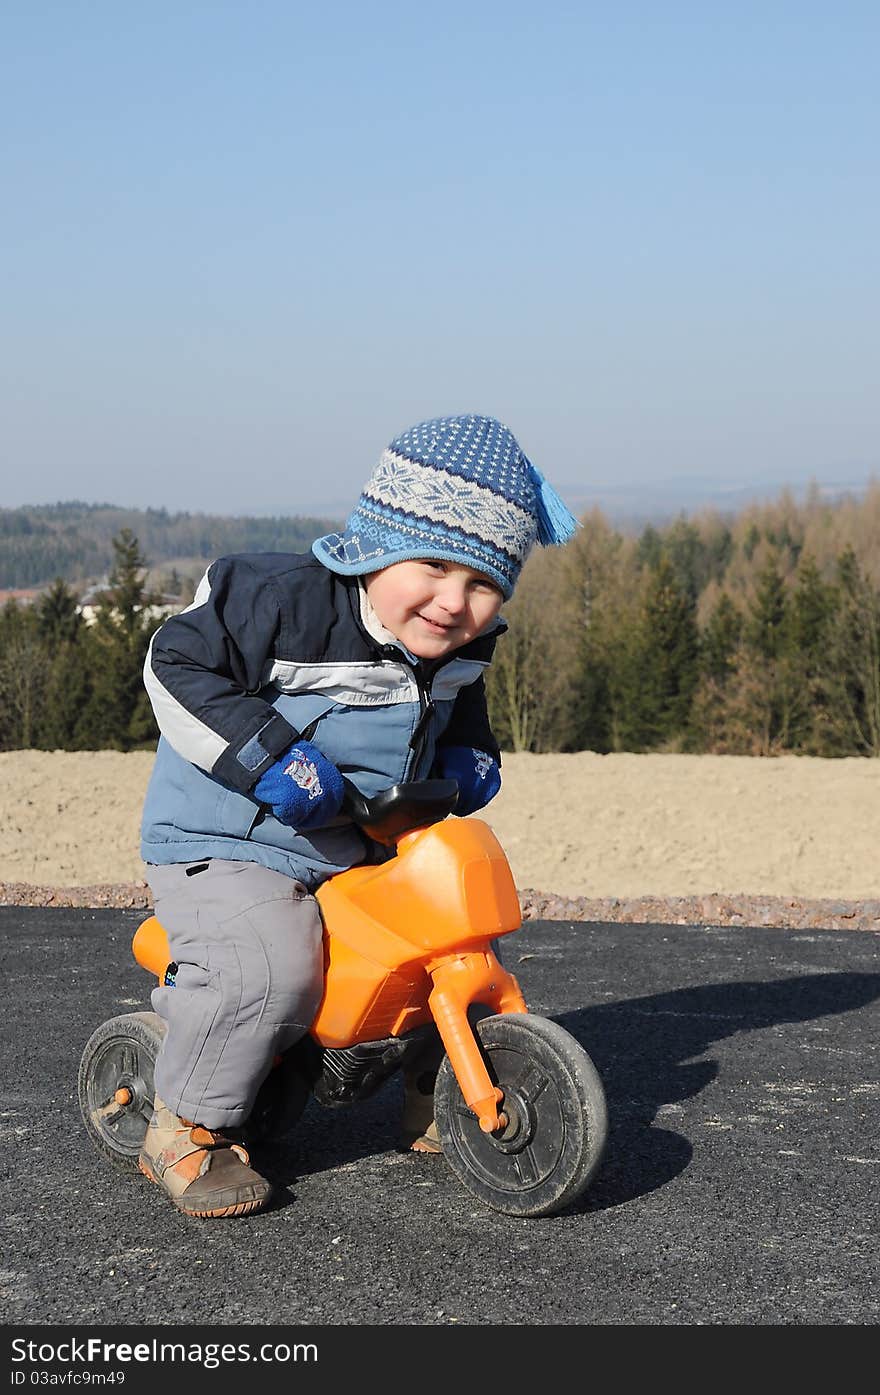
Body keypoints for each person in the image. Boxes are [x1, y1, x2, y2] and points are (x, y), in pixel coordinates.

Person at [137, 413, 578, 1217]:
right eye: (436, 565)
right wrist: (270, 755)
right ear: (379, 540)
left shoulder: (462, 648)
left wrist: (468, 762)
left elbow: (457, 713)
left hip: (352, 837)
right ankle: (186, 1124)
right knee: (269, 965)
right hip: (231, 837)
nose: (454, 603)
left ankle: (440, 1087)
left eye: (484, 583)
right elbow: (174, 665)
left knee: (442, 923)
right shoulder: (280, 602)